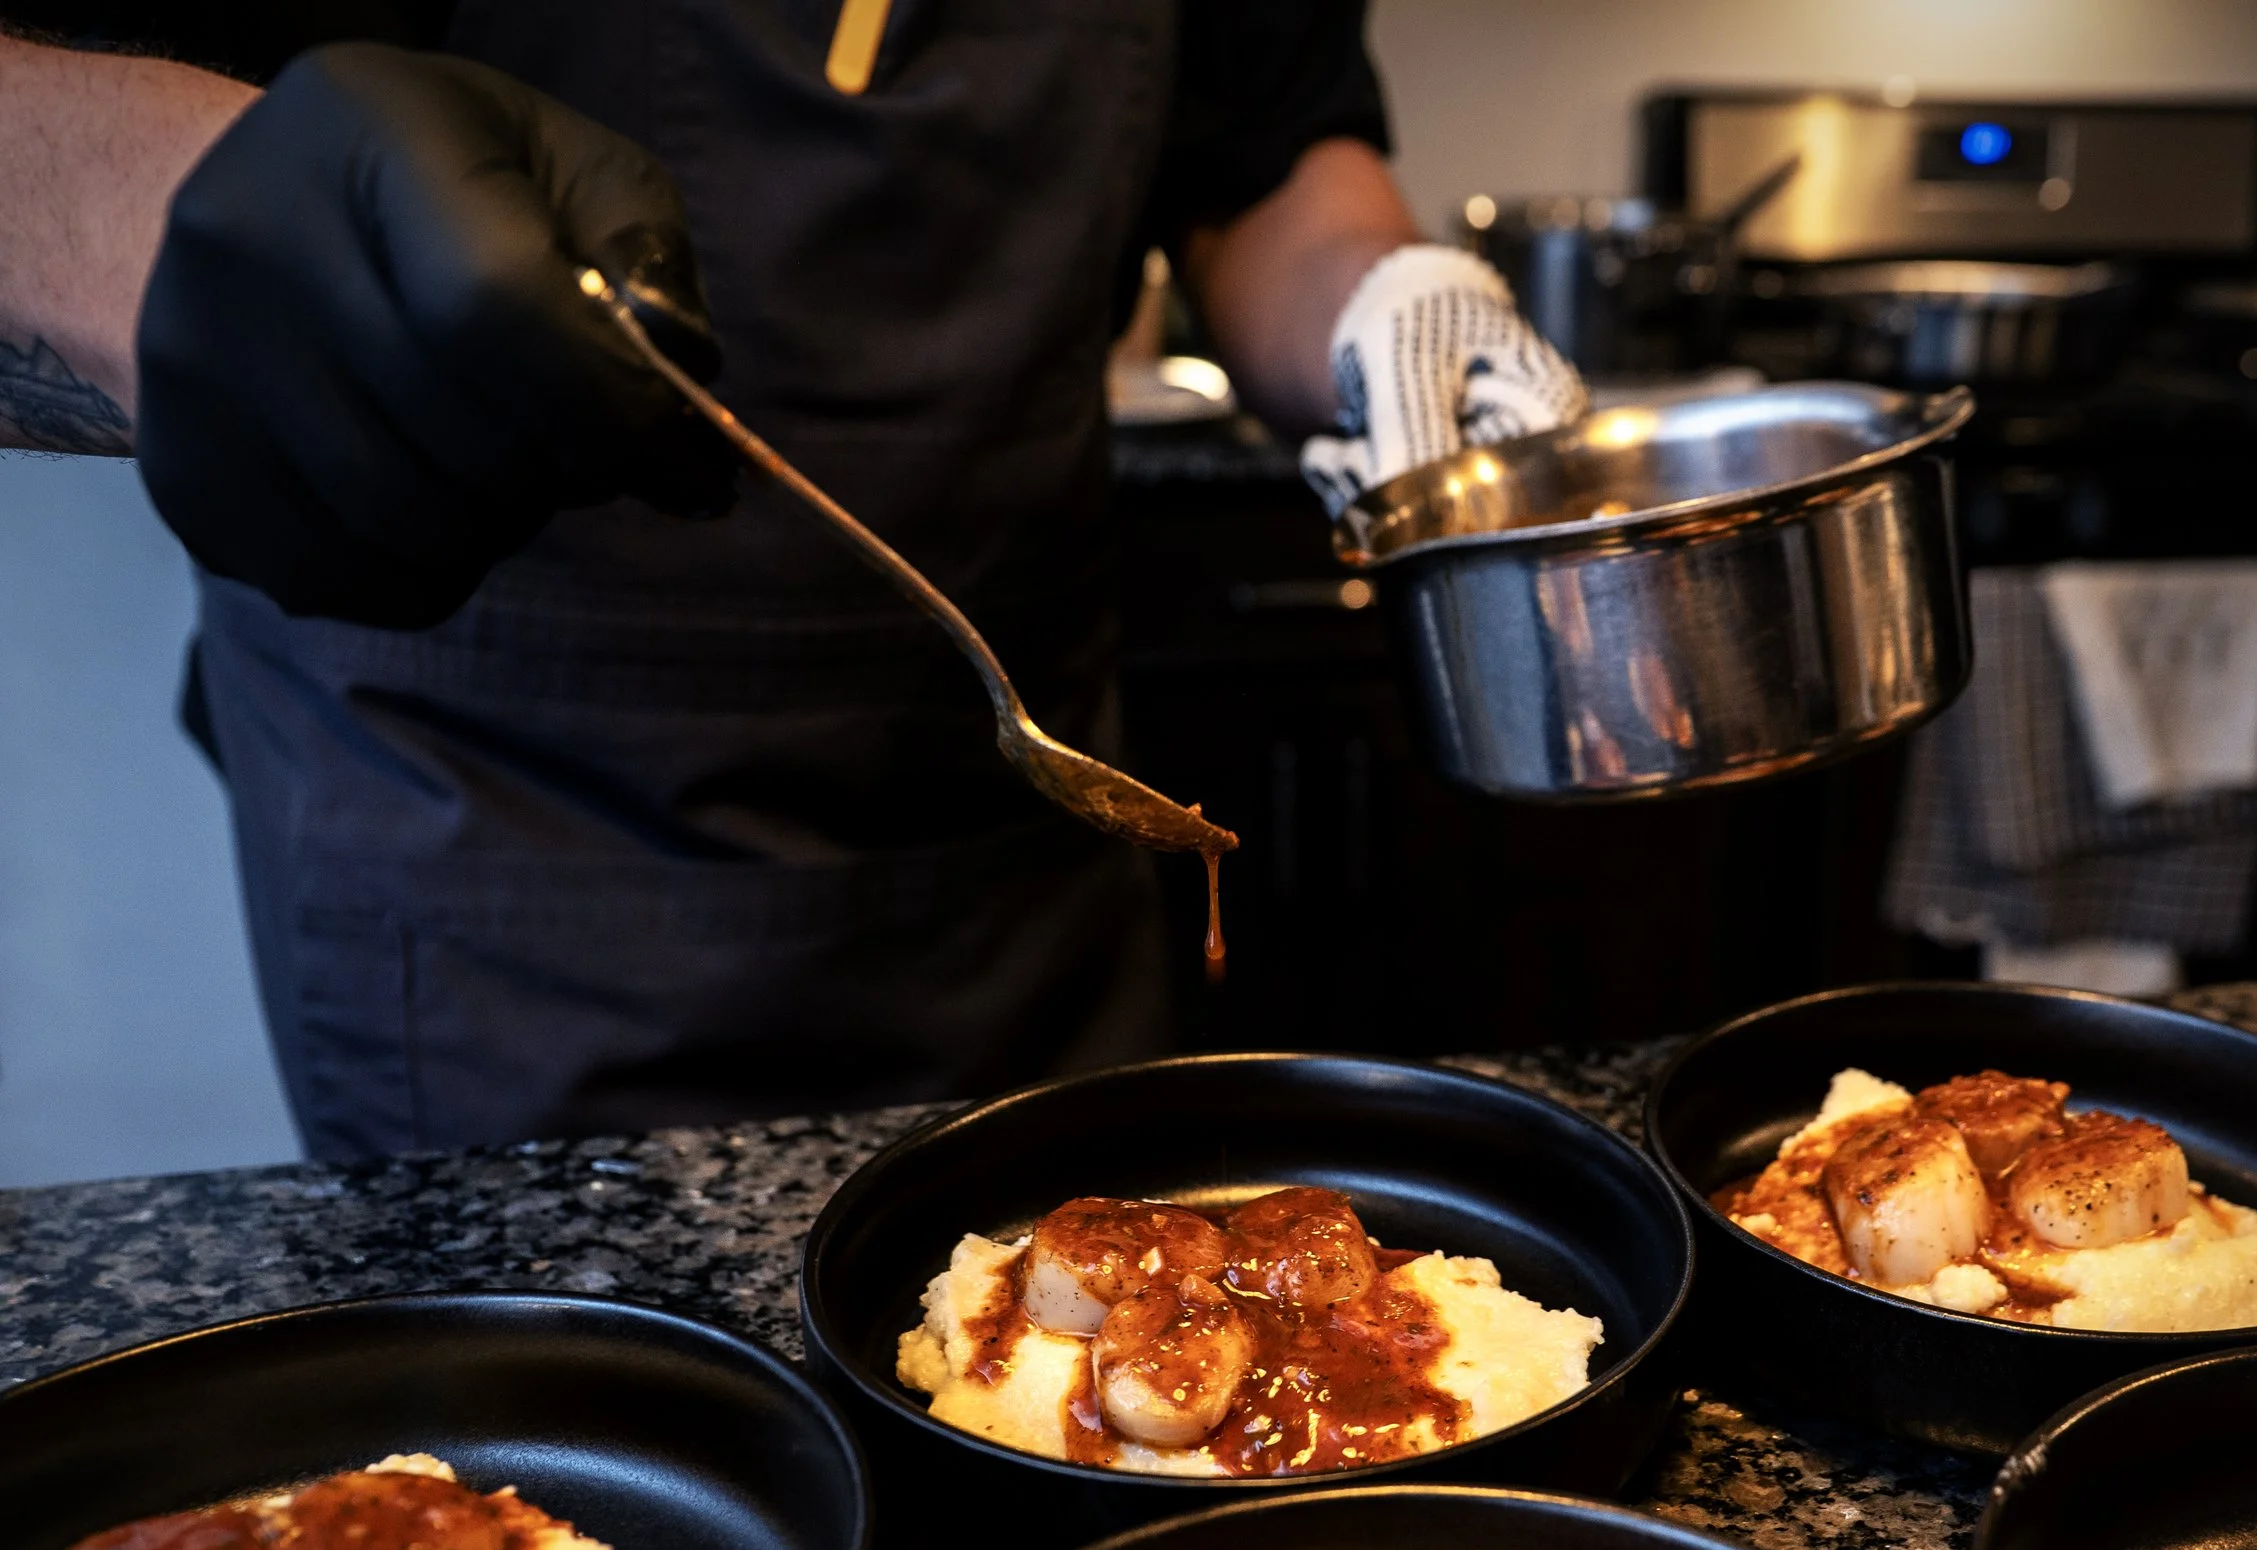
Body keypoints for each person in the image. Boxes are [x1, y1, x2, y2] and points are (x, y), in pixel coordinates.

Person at [0, 2, 1586, 1159]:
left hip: (1030, 844)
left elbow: (1263, 165)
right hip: (503, 852)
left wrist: (1391, 309)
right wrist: (168, 198)